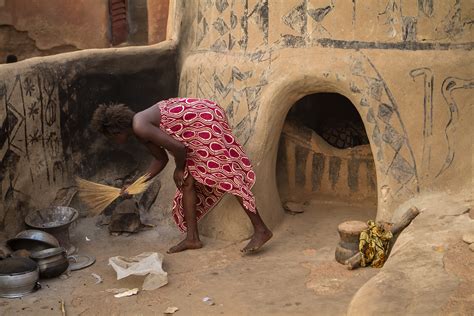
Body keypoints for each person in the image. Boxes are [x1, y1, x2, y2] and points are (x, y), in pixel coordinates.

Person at [91, 98, 272, 254]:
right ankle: (192, 239)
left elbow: (178, 148)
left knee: (225, 174)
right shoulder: (140, 128)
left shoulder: (140, 125)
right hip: (200, 122)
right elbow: (160, 160)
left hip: (205, 120)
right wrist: (136, 184)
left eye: (112, 138)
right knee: (187, 183)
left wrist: (179, 168)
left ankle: (261, 229)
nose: (114, 142)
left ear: (116, 131)